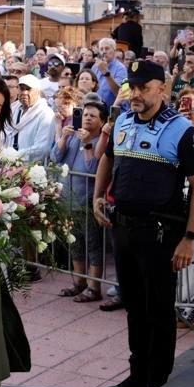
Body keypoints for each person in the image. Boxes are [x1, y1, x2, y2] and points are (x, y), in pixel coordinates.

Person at [91, 60, 194, 387]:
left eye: (144, 87)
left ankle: (157, 379)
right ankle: (137, 374)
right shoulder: (122, 120)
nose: (136, 94)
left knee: (158, 307)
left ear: (162, 88)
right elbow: (108, 158)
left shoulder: (182, 130)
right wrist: (98, 196)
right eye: (133, 87)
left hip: (160, 232)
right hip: (123, 228)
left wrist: (189, 237)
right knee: (134, 305)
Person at [55, 97, 109, 302]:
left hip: (87, 200)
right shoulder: (73, 137)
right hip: (68, 200)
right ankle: (79, 282)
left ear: (102, 121)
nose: (87, 118)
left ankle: (94, 287)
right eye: (85, 114)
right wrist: (63, 137)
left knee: (93, 245)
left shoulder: (101, 142)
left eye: (92, 116)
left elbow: (92, 169)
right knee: (75, 243)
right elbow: (56, 157)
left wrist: (87, 144)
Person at [11, 74, 56, 161]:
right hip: (7, 164)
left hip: (31, 166)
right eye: (22, 89)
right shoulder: (13, 109)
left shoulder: (46, 114)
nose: (24, 93)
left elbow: (42, 149)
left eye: (28, 89)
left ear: (38, 92)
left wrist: (15, 156)